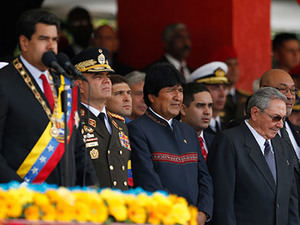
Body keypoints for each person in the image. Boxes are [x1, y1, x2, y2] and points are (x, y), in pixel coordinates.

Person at [0, 9, 97, 186]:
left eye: (54, 40)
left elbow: (77, 145)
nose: (51, 46)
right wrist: (18, 189)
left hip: (66, 201)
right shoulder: (4, 81)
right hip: (18, 200)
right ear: (24, 42)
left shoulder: (65, 84)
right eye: (43, 39)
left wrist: (91, 184)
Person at [128, 63, 213, 225]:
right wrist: (177, 215)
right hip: (163, 218)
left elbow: (204, 177)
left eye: (180, 90)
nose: (177, 97)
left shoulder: (187, 131)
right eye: (170, 90)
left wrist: (203, 212)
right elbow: (148, 180)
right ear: (152, 96)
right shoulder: (137, 130)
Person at [207, 87, 299, 225]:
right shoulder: (229, 141)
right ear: (255, 113)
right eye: (276, 118)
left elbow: (291, 199)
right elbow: (223, 203)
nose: (281, 125)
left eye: (284, 118)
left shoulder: (282, 144)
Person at [72, 47, 133, 190]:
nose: (106, 81)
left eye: (107, 76)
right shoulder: (72, 121)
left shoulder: (119, 124)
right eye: (97, 77)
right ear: (79, 85)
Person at [260, 69, 300, 216]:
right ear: (263, 91)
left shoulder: (296, 132)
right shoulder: (253, 132)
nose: (290, 96)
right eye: (283, 90)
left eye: (293, 90)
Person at [210, 45, 250, 123]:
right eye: (228, 64)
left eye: (236, 64)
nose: (234, 69)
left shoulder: (245, 97)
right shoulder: (212, 97)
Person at [188, 61, 229, 135]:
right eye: (215, 88)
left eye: (224, 88)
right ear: (200, 90)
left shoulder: (228, 128)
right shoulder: (195, 129)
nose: (222, 94)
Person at [180, 83, 214, 160]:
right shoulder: (172, 138)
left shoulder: (216, 141)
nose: (207, 112)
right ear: (183, 109)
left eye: (210, 106)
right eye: (201, 105)